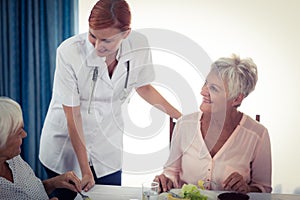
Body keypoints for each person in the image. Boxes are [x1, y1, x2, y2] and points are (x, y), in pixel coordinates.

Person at [39, 0, 181, 199]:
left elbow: (144, 86)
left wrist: (181, 117)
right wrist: (85, 170)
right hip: (65, 149)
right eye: (92, 36)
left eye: (107, 41)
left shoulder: (138, 45)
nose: (98, 46)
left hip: (107, 148)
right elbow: (74, 116)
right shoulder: (69, 52)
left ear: (126, 34)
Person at [154, 54, 272, 194]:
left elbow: (263, 189)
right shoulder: (184, 125)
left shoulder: (258, 134)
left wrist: (247, 188)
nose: (203, 91)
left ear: (236, 99)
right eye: (206, 84)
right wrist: (165, 180)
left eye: (214, 88)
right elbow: (171, 172)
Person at [0, 97, 82, 200]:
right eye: (18, 132)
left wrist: (53, 183)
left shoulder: (14, 159)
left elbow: (28, 192)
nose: (25, 135)